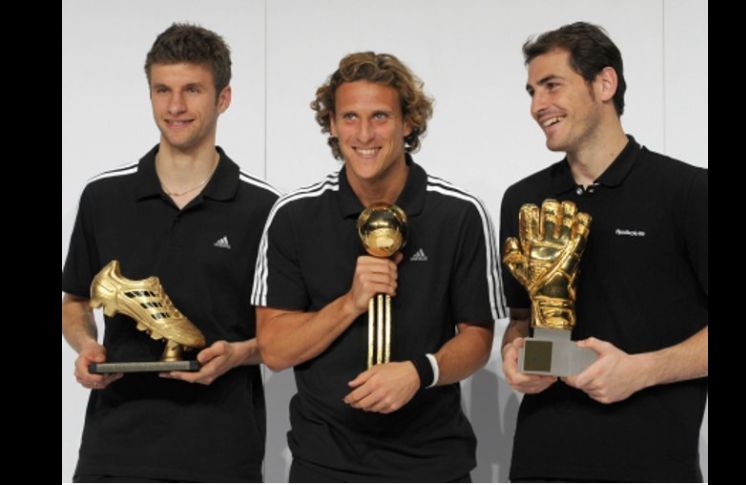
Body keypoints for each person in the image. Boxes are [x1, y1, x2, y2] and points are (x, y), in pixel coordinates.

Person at [253, 51, 506, 482]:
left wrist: (420, 372)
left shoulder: (459, 214)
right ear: (331, 124)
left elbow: (478, 339)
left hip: (432, 464)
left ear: (408, 122)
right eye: (350, 117)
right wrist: (350, 303)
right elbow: (275, 349)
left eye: (381, 117)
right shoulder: (294, 216)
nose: (364, 133)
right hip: (324, 464)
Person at [61, 23, 279, 482]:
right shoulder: (103, 198)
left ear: (223, 98)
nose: (175, 106)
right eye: (162, 89)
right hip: (112, 451)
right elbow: (76, 300)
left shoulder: (265, 209)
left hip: (222, 451)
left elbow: (290, 334)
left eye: (192, 90)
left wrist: (240, 353)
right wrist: (86, 347)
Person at [499, 21, 708, 482]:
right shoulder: (524, 200)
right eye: (532, 91)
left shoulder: (688, 191)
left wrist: (642, 371)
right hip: (539, 463)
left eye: (552, 85)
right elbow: (520, 318)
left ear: (604, 84)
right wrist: (514, 355)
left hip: (653, 467)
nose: (538, 106)